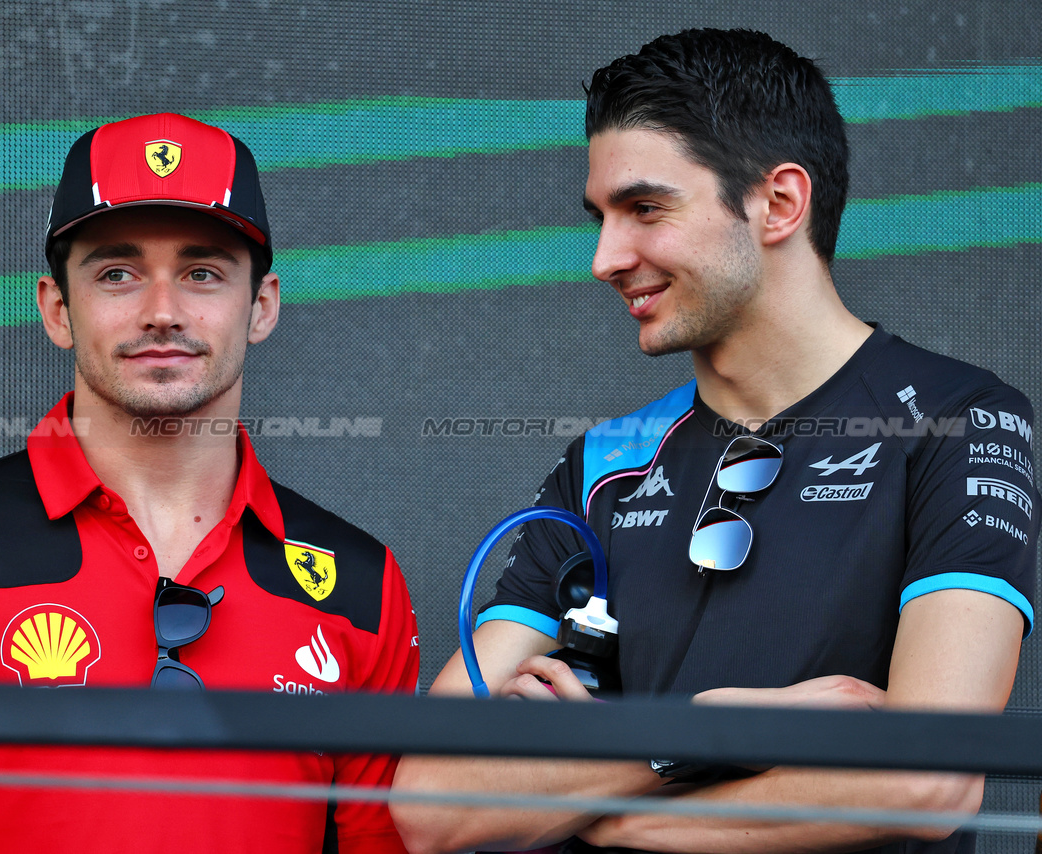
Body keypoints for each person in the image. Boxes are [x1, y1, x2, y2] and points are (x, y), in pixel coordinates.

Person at [392, 28, 1037, 854]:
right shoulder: (603, 463)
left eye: (645, 208)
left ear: (778, 203)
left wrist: (597, 811)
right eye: (602, 217)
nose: (604, 258)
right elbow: (432, 807)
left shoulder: (961, 419)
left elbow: (921, 780)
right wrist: (698, 734)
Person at [0, 113, 419, 853]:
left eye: (202, 272)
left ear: (262, 306)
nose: (163, 312)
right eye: (117, 273)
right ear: (57, 308)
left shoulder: (364, 584)